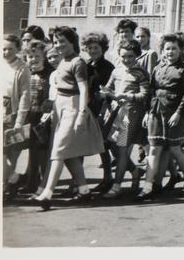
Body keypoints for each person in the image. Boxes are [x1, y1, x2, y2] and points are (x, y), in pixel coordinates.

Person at [33, 26, 105, 210]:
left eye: (62, 41)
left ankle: (47, 193)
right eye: (56, 42)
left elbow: (83, 90)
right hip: (59, 107)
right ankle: (84, 191)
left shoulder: (77, 62)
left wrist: (81, 113)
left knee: (59, 150)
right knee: (68, 154)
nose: (58, 45)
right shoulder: (62, 61)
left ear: (72, 41)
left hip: (73, 107)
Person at [138, 33, 184, 199]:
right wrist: (147, 112)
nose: (170, 52)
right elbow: (151, 91)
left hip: (174, 114)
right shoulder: (158, 68)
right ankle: (148, 186)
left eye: (174, 48)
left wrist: (178, 114)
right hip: (156, 113)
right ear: (163, 50)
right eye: (167, 49)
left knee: (175, 149)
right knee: (154, 149)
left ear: (180, 50)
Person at [101, 39, 150, 198]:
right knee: (111, 146)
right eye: (124, 56)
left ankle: (116, 186)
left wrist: (126, 96)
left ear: (137, 55)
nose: (127, 60)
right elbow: (109, 87)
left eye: (130, 56)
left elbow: (144, 95)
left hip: (130, 115)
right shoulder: (116, 70)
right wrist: (104, 92)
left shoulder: (141, 72)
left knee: (122, 149)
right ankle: (135, 171)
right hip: (115, 114)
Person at [14, 40, 53, 196]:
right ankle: (31, 182)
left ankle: (45, 183)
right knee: (32, 151)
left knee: (43, 152)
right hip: (29, 116)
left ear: (43, 56)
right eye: (30, 56)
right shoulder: (26, 73)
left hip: (44, 118)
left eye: (36, 56)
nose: (33, 59)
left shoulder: (50, 74)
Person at [81, 32, 115, 193]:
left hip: (101, 111)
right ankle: (78, 181)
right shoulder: (86, 65)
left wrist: (103, 110)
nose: (93, 50)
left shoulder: (107, 68)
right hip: (88, 109)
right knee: (81, 146)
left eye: (96, 47)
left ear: (103, 48)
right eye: (90, 48)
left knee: (104, 146)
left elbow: (109, 91)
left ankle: (108, 178)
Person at [2, 34, 31, 197]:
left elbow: (25, 96)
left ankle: (9, 183)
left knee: (13, 151)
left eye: (10, 49)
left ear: (18, 49)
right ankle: (9, 179)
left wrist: (19, 120)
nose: (5, 52)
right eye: (3, 49)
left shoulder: (22, 68)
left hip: (12, 112)